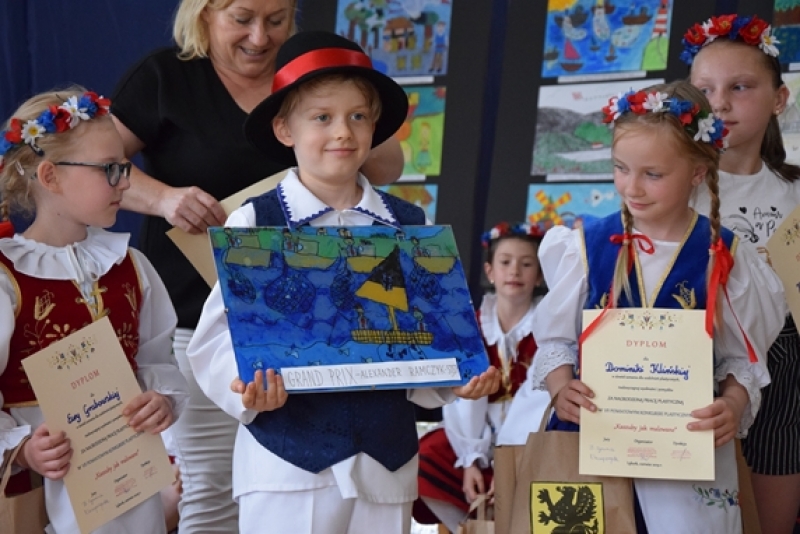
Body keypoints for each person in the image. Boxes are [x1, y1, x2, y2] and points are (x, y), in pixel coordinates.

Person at [185, 31, 500, 534]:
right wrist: (245, 388)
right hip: (287, 466)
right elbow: (215, 339)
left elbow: (430, 335)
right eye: (322, 117)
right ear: (284, 129)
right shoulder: (255, 223)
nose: (343, 132)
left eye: (358, 116)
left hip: (386, 463)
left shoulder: (408, 225)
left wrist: (458, 377)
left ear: (375, 127)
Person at [110, 1, 405, 530]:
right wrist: (163, 199)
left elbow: (388, 162)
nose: (259, 36)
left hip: (337, 352)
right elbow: (96, 164)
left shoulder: (315, 68)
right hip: (196, 310)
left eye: (276, 20)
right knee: (211, 486)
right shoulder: (164, 78)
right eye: (242, 18)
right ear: (205, 14)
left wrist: (333, 108)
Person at [528, 80, 785, 533]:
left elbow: (742, 358)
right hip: (591, 443)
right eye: (621, 168)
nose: (632, 187)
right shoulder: (584, 246)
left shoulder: (725, 256)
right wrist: (560, 385)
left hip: (684, 455)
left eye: (653, 174)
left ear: (697, 173)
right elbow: (555, 340)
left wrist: (733, 401)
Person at [0, 87, 188, 533]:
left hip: (128, 484)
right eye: (110, 169)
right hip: (44, 486)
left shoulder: (131, 266)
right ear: (50, 176)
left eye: (123, 167)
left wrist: (161, 400)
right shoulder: (8, 280)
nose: (125, 182)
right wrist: (22, 448)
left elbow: (156, 361)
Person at [684, 14, 800, 533]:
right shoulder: (676, 187)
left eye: (740, 87)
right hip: (695, 362)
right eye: (705, 90)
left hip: (785, 374)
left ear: (779, 99)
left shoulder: (793, 192)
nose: (720, 104)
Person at [414, 222, 551, 533]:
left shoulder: (548, 329)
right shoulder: (471, 326)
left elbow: (539, 400)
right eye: (505, 262)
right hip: (475, 430)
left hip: (529, 436)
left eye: (526, 264)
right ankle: (465, 524)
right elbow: (462, 398)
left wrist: (511, 462)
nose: (514, 271)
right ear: (490, 271)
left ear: (539, 276)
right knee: (426, 455)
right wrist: (470, 458)